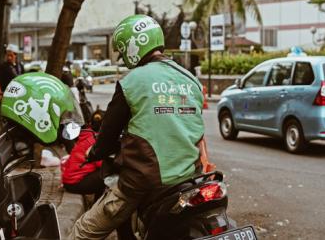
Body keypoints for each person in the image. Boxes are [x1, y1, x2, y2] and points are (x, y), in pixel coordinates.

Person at [70, 14, 215, 239]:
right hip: (190, 177)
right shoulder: (190, 79)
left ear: (132, 47)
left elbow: (108, 135)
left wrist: (94, 151)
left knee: (82, 231)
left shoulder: (132, 82)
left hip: (146, 180)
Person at [61, 109, 106, 200]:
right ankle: (97, 206)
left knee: (103, 174)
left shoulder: (88, 135)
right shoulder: (94, 141)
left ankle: (96, 203)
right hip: (74, 183)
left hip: (68, 181)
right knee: (106, 174)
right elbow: (100, 163)